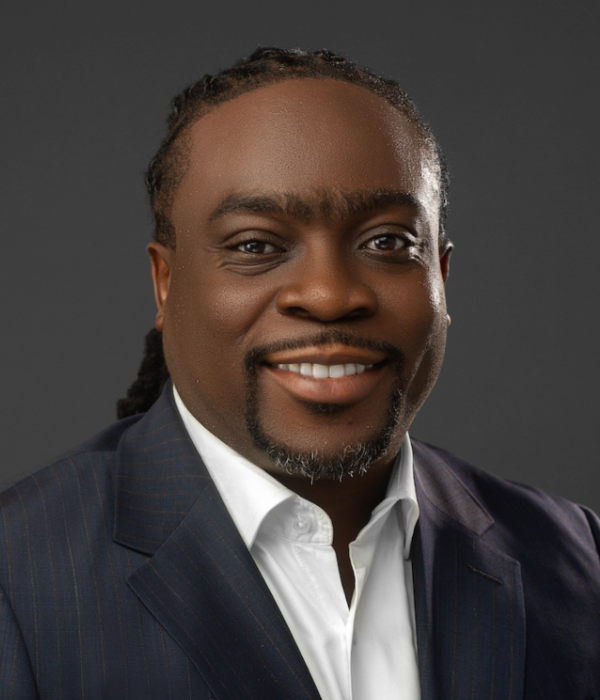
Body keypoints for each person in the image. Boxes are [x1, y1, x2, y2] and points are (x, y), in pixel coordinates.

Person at [1, 47, 599, 700]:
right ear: (165, 283)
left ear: (441, 277)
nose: (329, 294)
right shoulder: (18, 577)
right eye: (256, 245)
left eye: (388, 242)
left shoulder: (576, 557)